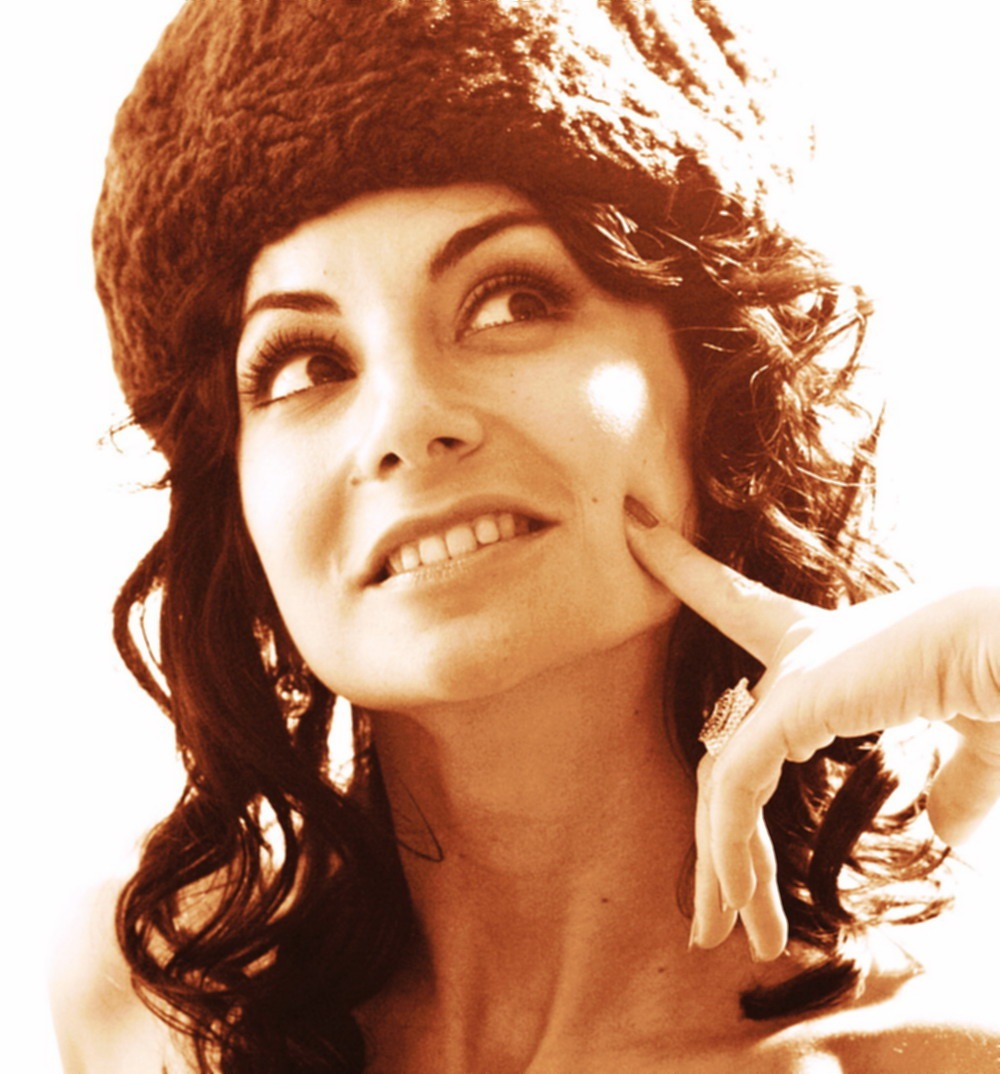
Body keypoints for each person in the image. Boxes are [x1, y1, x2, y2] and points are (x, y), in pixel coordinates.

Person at [52, 1, 1000, 1071]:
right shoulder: (145, 1005)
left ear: (720, 383)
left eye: (510, 302)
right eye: (307, 364)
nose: (405, 420)